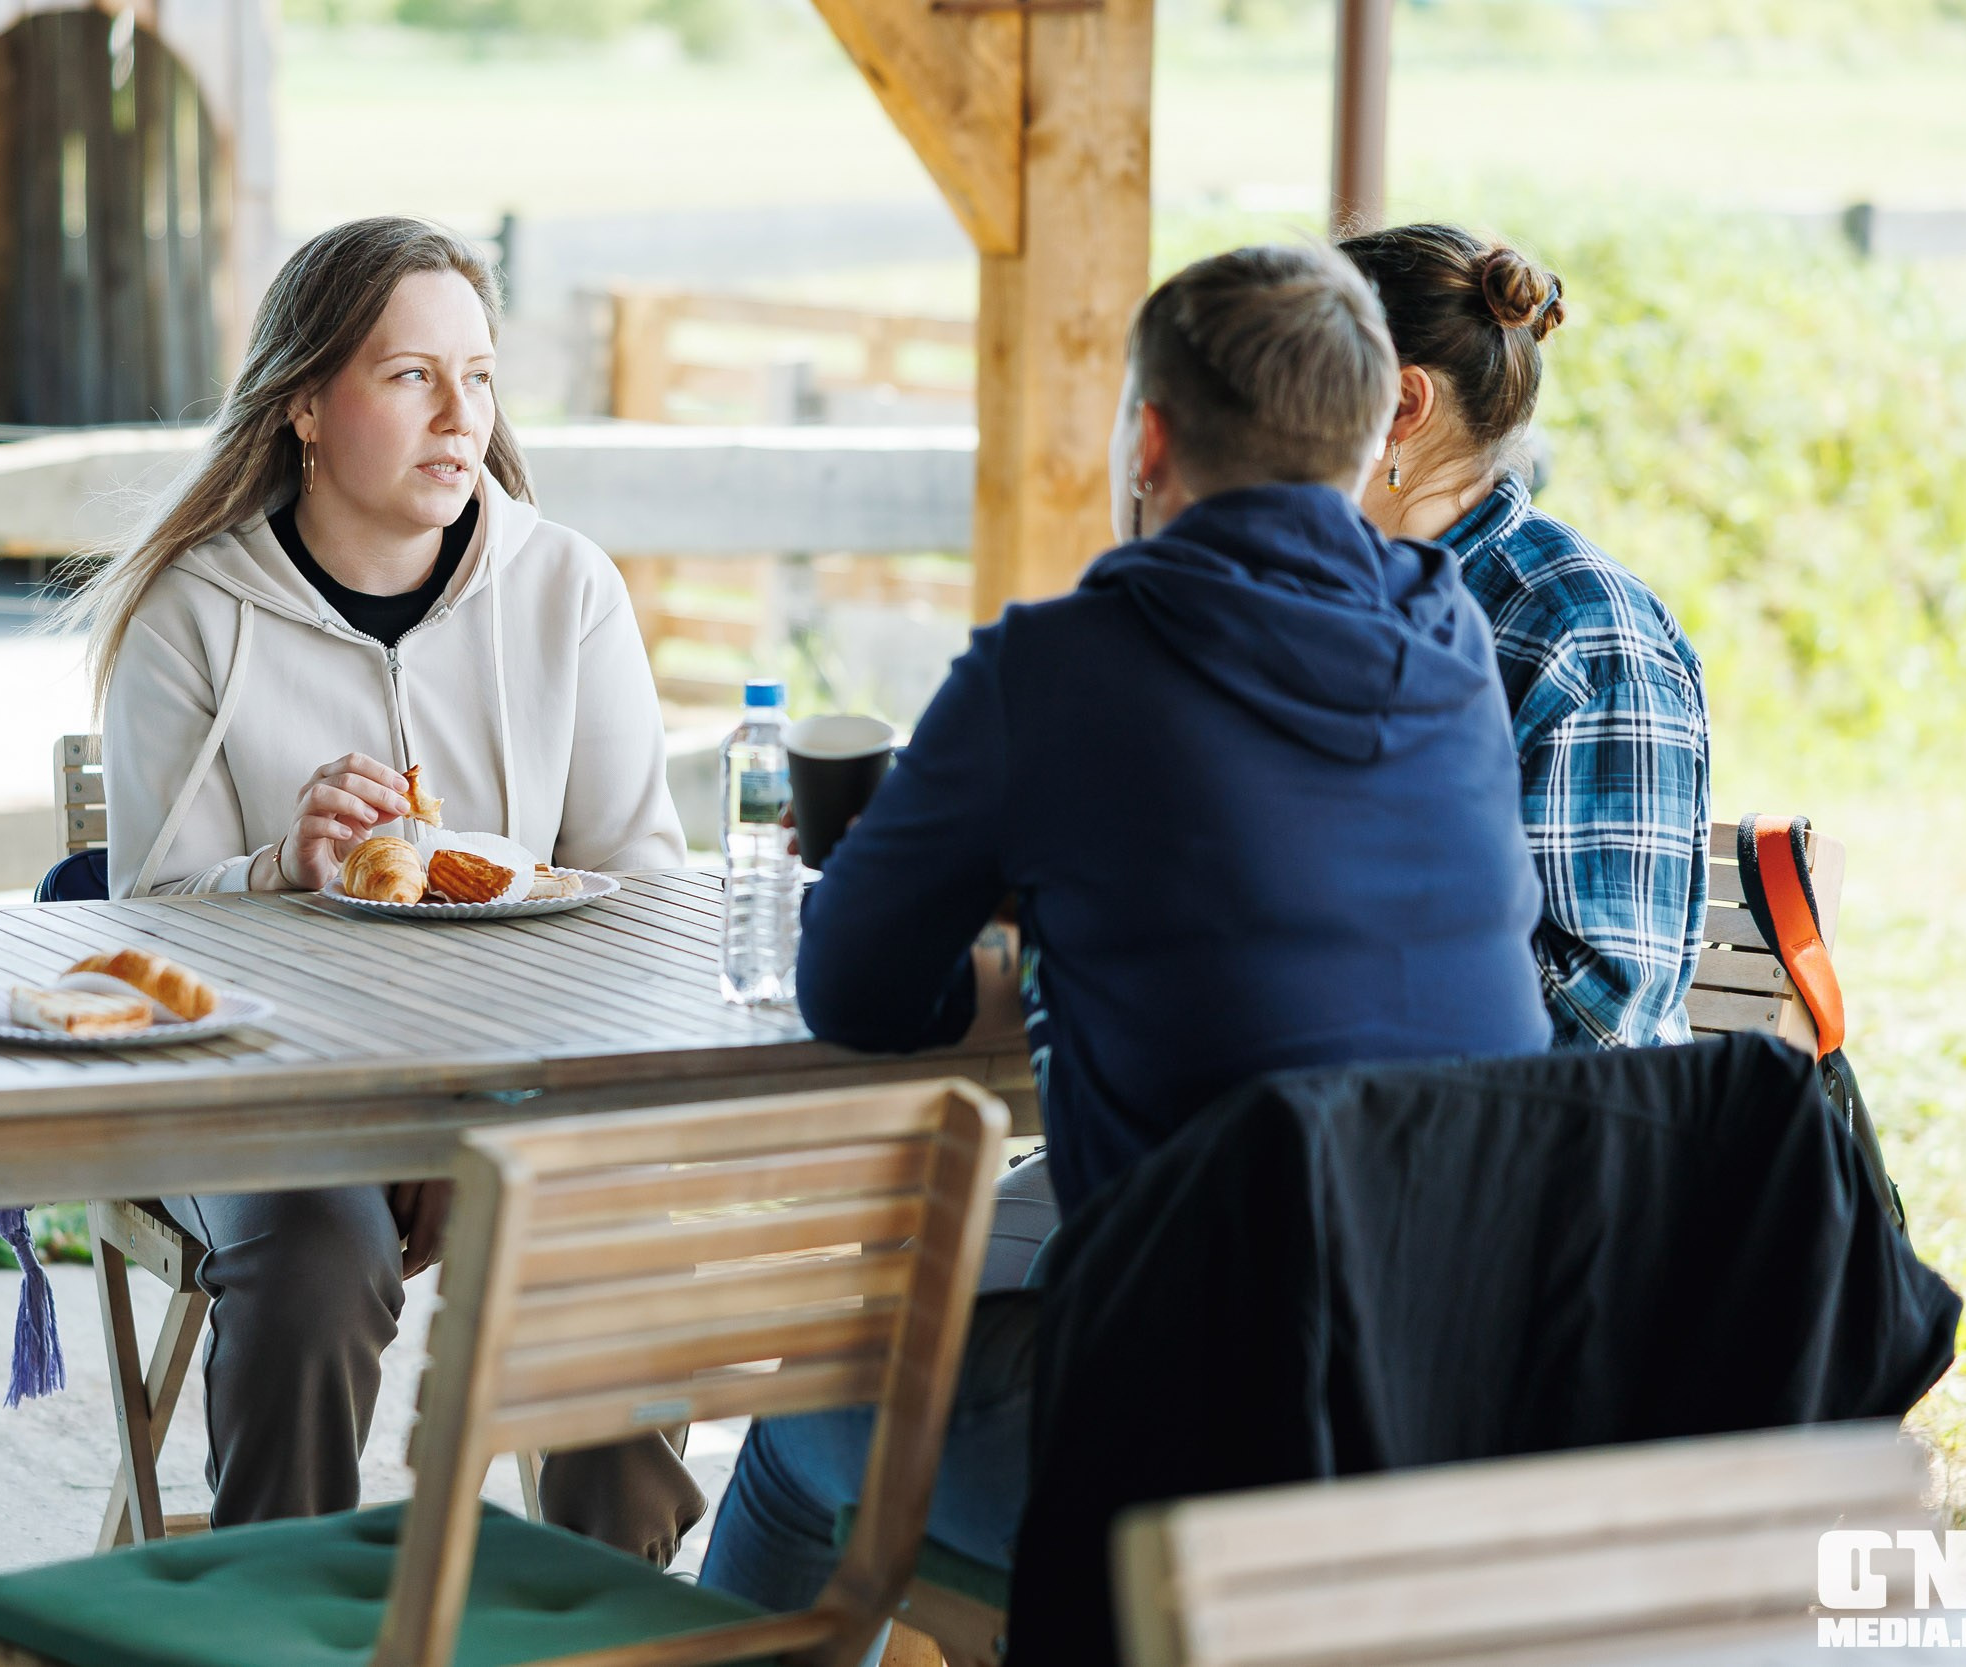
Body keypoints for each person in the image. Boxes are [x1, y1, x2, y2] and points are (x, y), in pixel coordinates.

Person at [696, 243, 1553, 1618]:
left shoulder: (1057, 667)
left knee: (804, 1407)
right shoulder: (1450, 641)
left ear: (1150, 435)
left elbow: (848, 982)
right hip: (1467, 1410)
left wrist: (1007, 953)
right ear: (1368, 435)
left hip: (1192, 1442)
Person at [76, 216, 699, 1550]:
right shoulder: (193, 614)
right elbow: (146, 932)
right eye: (411, 375)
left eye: (476, 376)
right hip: (254, 1102)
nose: (456, 414)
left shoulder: (566, 590)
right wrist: (276, 863)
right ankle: (274, 1618)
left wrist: (464, 1106)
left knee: (599, 1221)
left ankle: (617, 1619)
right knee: (317, 1250)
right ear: (305, 401)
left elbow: (644, 894)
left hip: (519, 1081)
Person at [1340, 224, 1712, 1049]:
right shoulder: (1325, 594)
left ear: (1399, 406)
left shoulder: (1585, 635)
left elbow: (1602, 1021)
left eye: (1291, 381)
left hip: (1510, 1157)